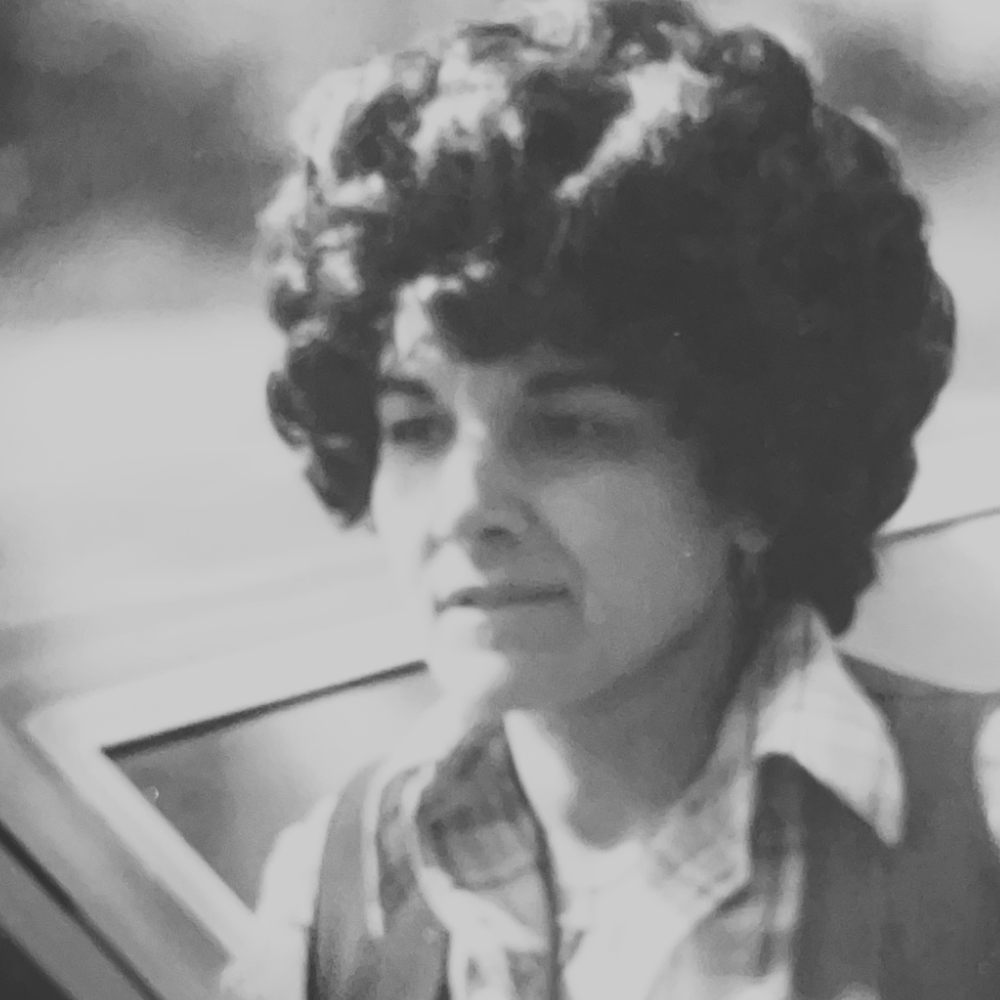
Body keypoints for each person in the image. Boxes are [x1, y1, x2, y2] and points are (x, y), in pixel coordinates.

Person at [222, 1, 1000, 998]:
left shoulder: (975, 813)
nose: (468, 503)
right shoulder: (331, 887)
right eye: (415, 427)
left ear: (756, 473)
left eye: (568, 427)